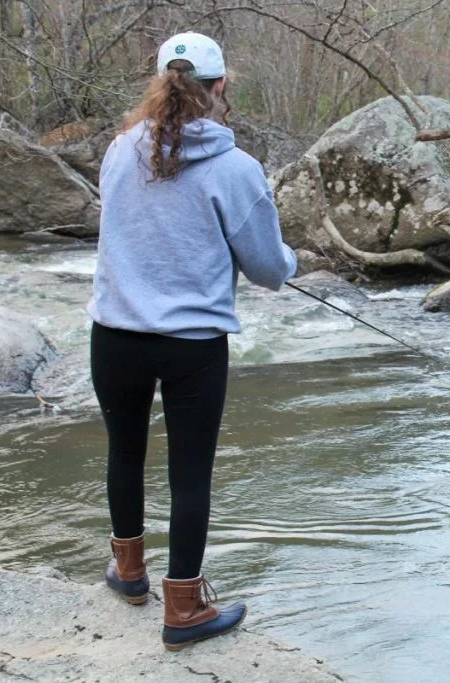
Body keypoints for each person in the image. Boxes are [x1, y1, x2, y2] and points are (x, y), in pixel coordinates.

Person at [88, 31, 297, 651]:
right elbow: (266, 268)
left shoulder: (119, 150)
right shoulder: (237, 169)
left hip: (115, 334)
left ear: (158, 82)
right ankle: (183, 610)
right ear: (220, 87)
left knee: (124, 453)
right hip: (192, 345)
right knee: (190, 476)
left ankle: (129, 574)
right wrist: (290, 261)